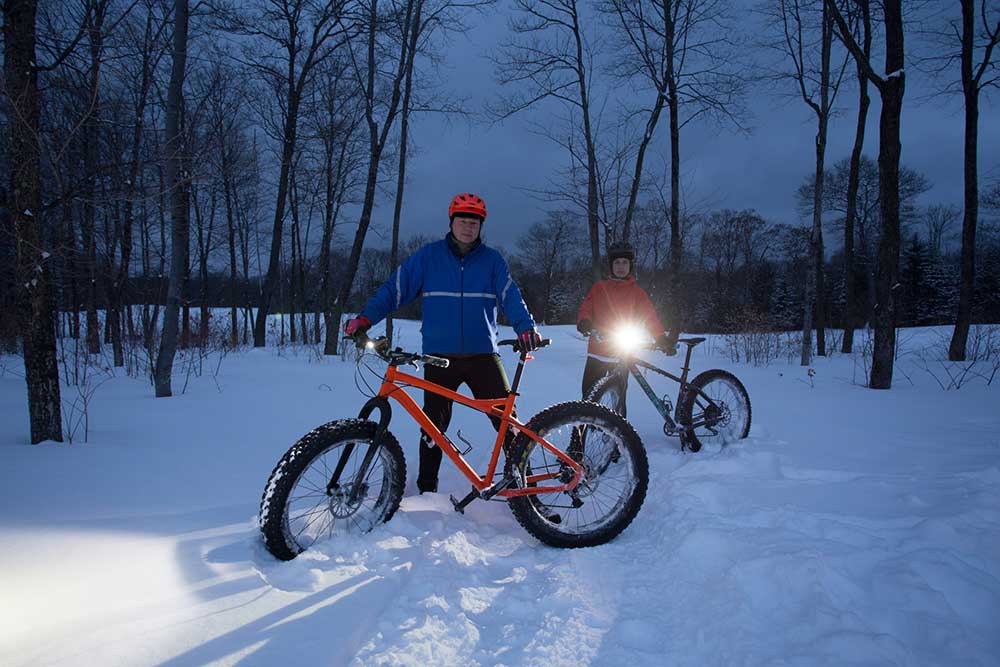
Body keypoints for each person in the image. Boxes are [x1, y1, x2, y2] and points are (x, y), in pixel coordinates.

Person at [343, 192, 542, 494]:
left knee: (507, 423)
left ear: (481, 226)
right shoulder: (428, 257)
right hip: (439, 358)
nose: (468, 227)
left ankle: (527, 491)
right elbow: (394, 290)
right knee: (432, 428)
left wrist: (526, 328)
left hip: (482, 355)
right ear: (451, 222)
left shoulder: (492, 261)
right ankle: (427, 491)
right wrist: (365, 319)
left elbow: (510, 295)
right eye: (463, 220)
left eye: (474, 222)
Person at [576, 241, 673, 416]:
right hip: (597, 351)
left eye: (625, 263)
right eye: (617, 263)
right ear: (611, 266)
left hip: (621, 353)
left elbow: (649, 316)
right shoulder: (599, 288)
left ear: (630, 266)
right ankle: (581, 431)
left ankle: (619, 430)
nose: (621, 267)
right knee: (588, 397)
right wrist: (584, 321)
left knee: (619, 398)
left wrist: (659, 336)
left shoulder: (637, 292)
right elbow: (586, 308)